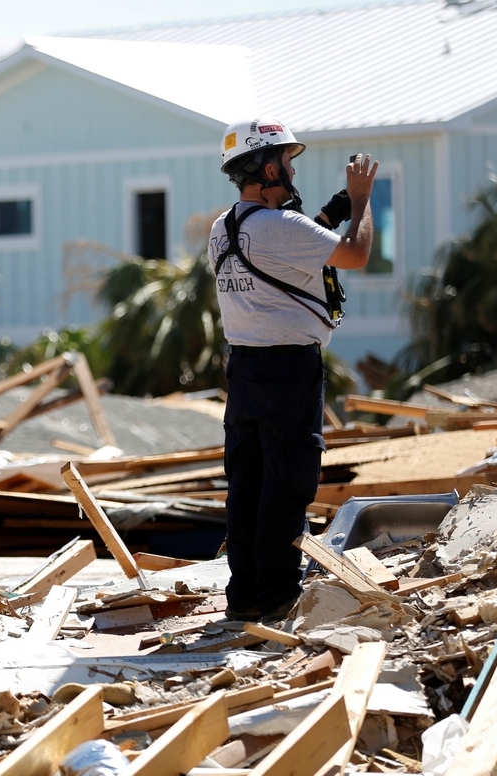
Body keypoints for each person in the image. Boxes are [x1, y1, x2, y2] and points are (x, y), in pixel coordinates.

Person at [209, 118, 377, 623]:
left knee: (249, 481)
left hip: (245, 370)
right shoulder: (279, 225)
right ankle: (280, 596)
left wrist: (329, 212)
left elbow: (288, 249)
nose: (291, 167)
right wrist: (363, 201)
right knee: (287, 482)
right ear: (268, 167)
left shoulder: (225, 228)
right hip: (288, 372)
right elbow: (356, 254)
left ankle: (244, 596)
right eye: (286, 160)